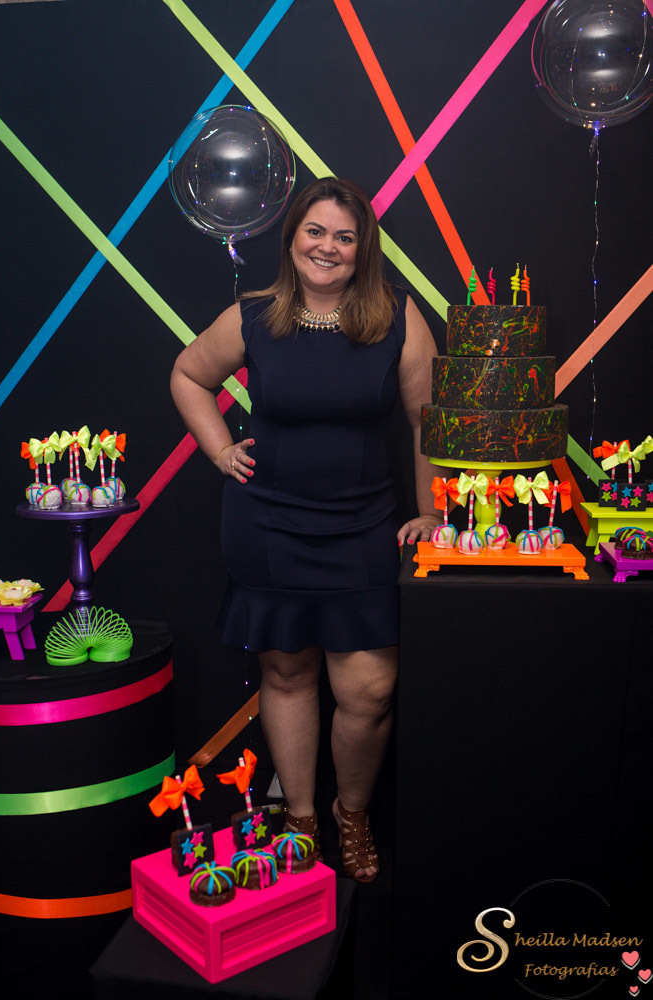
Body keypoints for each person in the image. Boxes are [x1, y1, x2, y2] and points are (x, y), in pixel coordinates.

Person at [171, 177, 442, 883]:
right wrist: (219, 449)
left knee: (368, 691)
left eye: (344, 237)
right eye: (315, 231)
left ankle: (352, 814)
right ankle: (301, 820)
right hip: (269, 527)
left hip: (365, 529)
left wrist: (429, 511)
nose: (328, 247)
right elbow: (189, 376)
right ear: (292, 237)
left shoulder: (398, 317)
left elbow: (426, 424)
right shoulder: (253, 316)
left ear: (362, 250)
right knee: (287, 675)